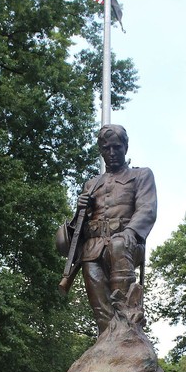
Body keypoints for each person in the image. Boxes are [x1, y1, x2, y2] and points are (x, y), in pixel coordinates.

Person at [70, 124, 157, 334]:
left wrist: (130, 232)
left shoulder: (141, 175)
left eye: (117, 147)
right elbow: (78, 228)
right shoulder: (91, 184)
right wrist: (82, 210)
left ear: (125, 147)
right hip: (93, 248)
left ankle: (128, 333)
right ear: (101, 150)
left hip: (125, 246)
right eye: (106, 148)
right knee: (101, 311)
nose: (112, 153)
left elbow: (147, 209)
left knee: (123, 304)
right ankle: (109, 346)